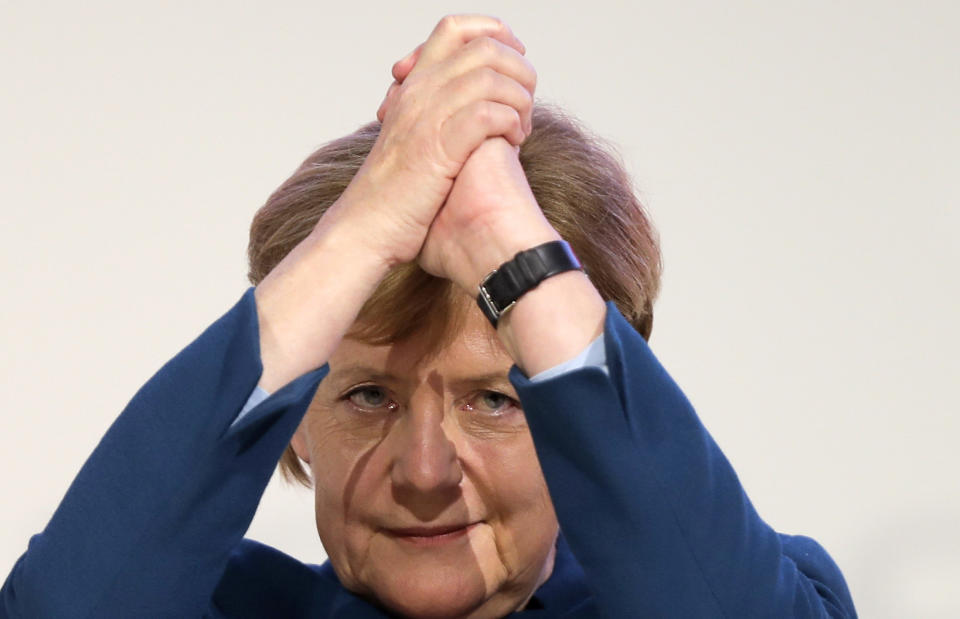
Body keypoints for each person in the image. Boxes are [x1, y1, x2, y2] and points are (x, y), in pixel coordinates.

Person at [1, 14, 857, 619]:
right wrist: (367, 225)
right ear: (296, 422)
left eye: (497, 400)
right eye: (368, 395)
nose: (424, 471)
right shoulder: (214, 604)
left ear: (582, 428)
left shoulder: (772, 588)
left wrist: (506, 239)